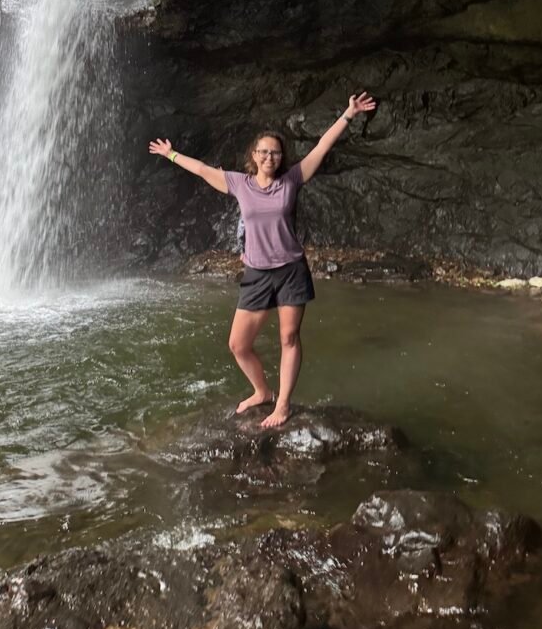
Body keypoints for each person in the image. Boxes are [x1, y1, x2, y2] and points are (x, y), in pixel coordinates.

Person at [149, 92, 377, 428]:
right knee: (238, 344)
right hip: (256, 273)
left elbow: (321, 148)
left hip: (290, 270)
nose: (269, 156)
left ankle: (283, 404)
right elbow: (200, 169)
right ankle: (262, 392)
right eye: (263, 152)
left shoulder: (292, 180)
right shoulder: (239, 184)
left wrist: (348, 114)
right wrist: (170, 154)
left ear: (281, 157)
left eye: (275, 152)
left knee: (289, 338)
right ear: (253, 157)